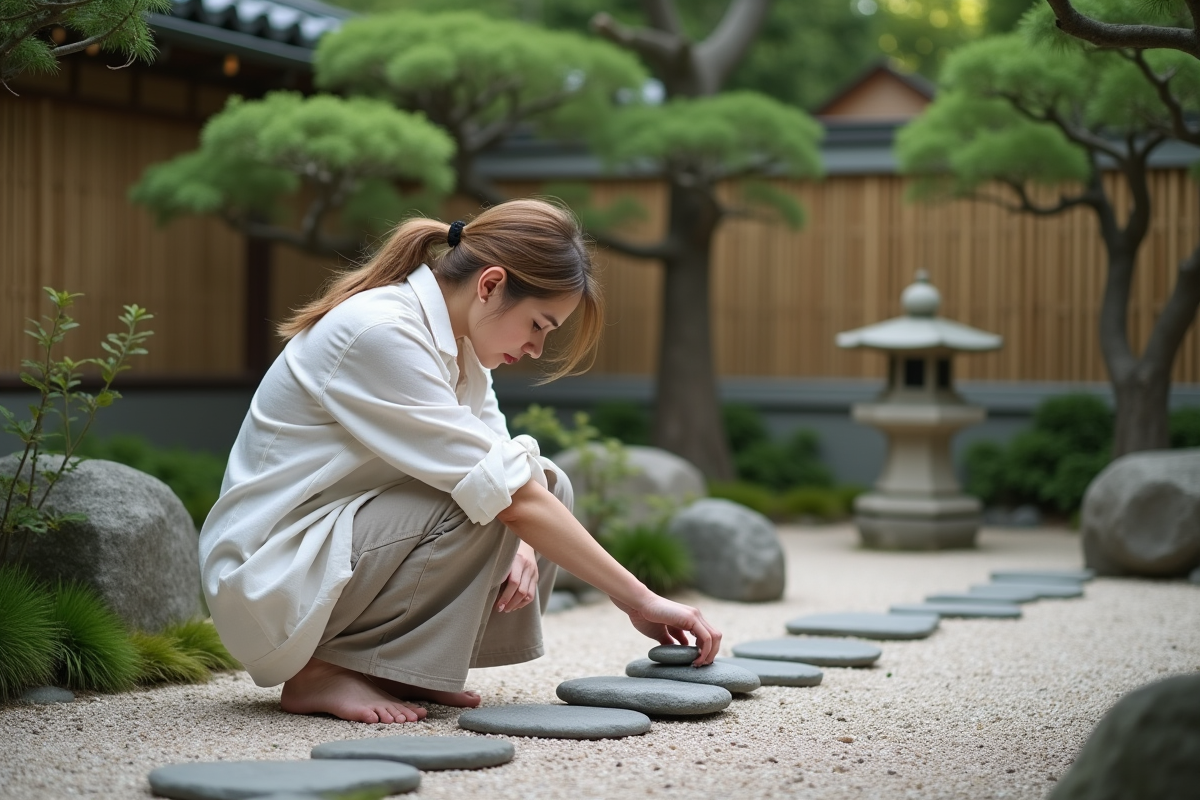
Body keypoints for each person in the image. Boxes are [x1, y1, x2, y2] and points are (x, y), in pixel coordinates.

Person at [199, 198, 722, 724]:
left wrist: (517, 537)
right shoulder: (379, 332)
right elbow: (506, 494)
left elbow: (510, 479)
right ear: (490, 285)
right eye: (538, 324)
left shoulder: (461, 346)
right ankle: (320, 673)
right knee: (499, 499)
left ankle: (394, 669)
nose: (538, 347)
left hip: (335, 546)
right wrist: (639, 599)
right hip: (270, 573)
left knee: (544, 483)